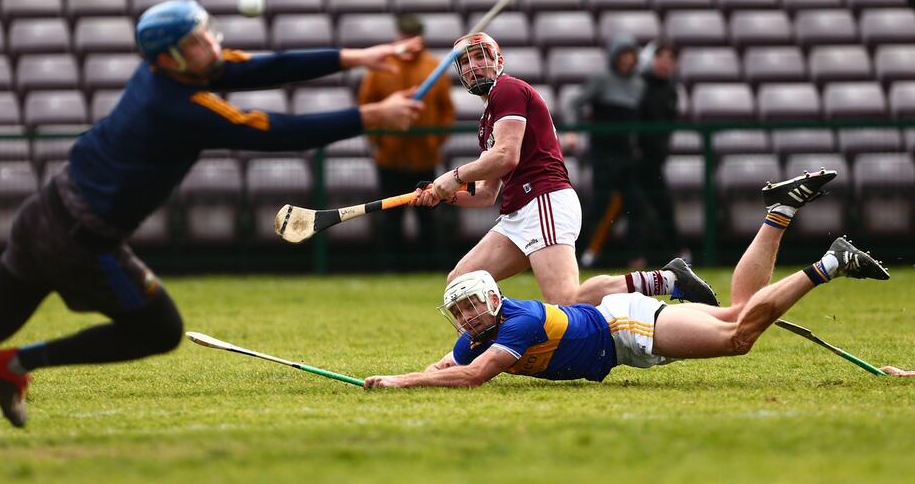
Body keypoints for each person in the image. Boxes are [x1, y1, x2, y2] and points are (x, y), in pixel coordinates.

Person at [0, 0, 424, 427]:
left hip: (45, 214)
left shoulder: (175, 74)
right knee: (158, 329)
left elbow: (264, 66)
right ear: (170, 57)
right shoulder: (180, 107)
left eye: (206, 32)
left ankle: (7, 364)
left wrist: (359, 57)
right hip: (79, 242)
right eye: (198, 40)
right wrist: (373, 114)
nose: (211, 44)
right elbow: (270, 130)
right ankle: (18, 362)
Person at [365, 169, 892, 389]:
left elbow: (472, 376)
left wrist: (400, 382)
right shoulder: (477, 335)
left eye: (473, 306)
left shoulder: (513, 326)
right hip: (619, 326)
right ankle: (779, 211)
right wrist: (396, 377)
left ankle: (830, 264)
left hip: (625, 330)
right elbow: (448, 363)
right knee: (739, 309)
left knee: (739, 336)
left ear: (494, 299)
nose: (468, 317)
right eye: (461, 313)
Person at [412, 32, 717, 308]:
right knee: (461, 282)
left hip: (543, 200)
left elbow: (506, 156)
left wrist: (452, 177)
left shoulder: (508, 90)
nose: (472, 66)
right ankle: (497, 347)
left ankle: (668, 280)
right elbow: (487, 194)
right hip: (518, 212)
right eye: (464, 62)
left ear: (498, 60)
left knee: (565, 298)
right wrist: (441, 195)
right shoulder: (487, 121)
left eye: (480, 57)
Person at [357, 14, 455, 270]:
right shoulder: (382, 67)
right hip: (390, 157)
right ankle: (391, 267)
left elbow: (447, 111)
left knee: (429, 216)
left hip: (424, 156)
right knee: (390, 217)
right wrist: (379, 140)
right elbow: (366, 104)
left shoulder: (434, 68)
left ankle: (431, 267)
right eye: (405, 36)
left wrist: (435, 141)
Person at [566, 34, 644, 269]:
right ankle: (580, 253)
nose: (627, 61)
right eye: (623, 55)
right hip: (602, 153)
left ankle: (635, 257)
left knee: (635, 204)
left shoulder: (638, 85)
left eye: (631, 56)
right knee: (599, 203)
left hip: (626, 154)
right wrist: (572, 131)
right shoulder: (602, 80)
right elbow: (574, 103)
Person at [632, 39, 688, 266]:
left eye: (670, 59)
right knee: (636, 207)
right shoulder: (639, 85)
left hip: (655, 161)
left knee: (661, 207)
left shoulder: (672, 90)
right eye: (660, 57)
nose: (665, 63)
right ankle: (635, 256)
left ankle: (676, 253)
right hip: (636, 161)